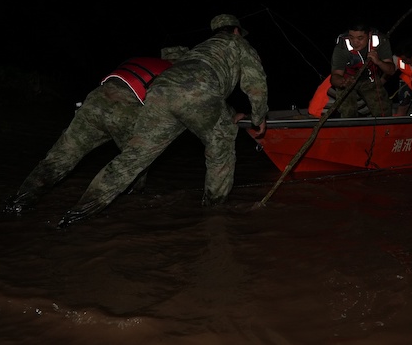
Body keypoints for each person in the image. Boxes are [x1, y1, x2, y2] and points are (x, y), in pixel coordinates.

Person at [56, 14, 268, 227]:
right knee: (221, 145)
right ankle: (214, 215)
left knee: (134, 156)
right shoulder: (238, 43)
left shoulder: (200, 49)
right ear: (236, 31)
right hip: (197, 92)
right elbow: (255, 82)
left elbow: (195, 89)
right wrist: (259, 116)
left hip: (160, 90)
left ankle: (77, 213)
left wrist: (230, 114)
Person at [4, 46, 190, 214]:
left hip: (94, 100)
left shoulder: (141, 60)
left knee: (61, 157)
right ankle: (131, 203)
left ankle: (19, 202)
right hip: (125, 109)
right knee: (135, 162)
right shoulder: (174, 73)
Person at [329, 20, 395, 118]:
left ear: (369, 35)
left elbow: (391, 70)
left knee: (383, 112)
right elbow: (335, 77)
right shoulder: (342, 46)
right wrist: (343, 82)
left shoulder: (380, 41)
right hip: (348, 80)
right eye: (351, 37)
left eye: (360, 38)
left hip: (370, 79)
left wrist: (379, 62)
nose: (355, 42)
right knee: (348, 112)